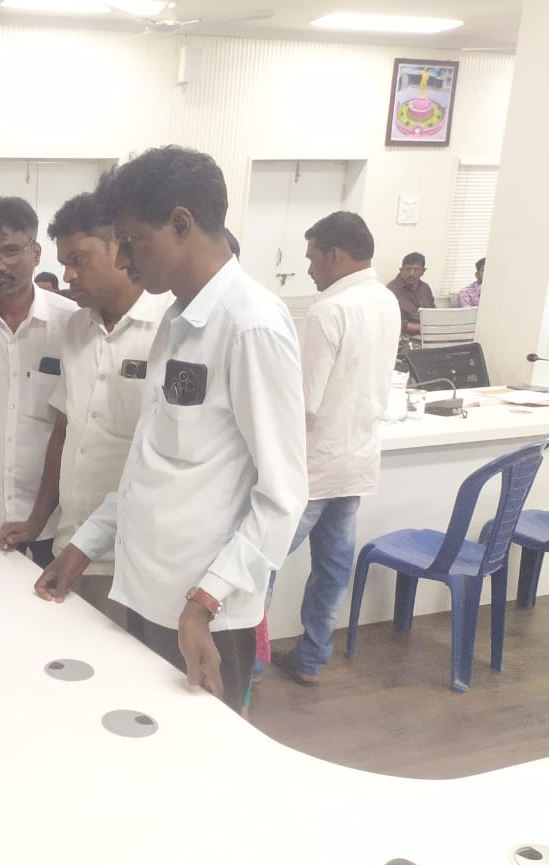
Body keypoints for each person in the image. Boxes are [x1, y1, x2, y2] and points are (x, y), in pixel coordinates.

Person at [34, 146, 307, 711]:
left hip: (202, 616)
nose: (124, 258)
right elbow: (153, 464)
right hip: (149, 596)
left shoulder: (251, 325)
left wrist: (207, 601)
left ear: (182, 224)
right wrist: (83, 547)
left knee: (203, 755)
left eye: (133, 240)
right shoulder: (178, 322)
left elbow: (283, 495)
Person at [0, 192, 171, 622]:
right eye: (64, 263)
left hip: (135, 558)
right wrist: (37, 520)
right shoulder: (77, 328)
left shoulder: (169, 328)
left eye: (78, 260)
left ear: (120, 249)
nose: (68, 275)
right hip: (71, 544)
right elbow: (65, 429)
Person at [270, 212, 401, 686]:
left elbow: (304, 401)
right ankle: (311, 658)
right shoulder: (387, 300)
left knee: (261, 562)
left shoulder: (329, 310)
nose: (308, 268)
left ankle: (253, 660)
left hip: (313, 465)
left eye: (312, 258)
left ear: (335, 255)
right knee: (332, 569)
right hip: (357, 461)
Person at [0, 197, 77, 568]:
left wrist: (40, 517)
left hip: (51, 521)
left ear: (36, 252)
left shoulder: (72, 323)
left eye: (10, 251)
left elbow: (71, 426)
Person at [386, 252, 435, 337]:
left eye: (416, 269)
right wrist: (419, 328)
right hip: (405, 337)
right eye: (408, 269)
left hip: (428, 334)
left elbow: (433, 313)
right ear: (401, 270)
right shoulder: (391, 290)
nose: (411, 273)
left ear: (423, 271)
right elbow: (389, 322)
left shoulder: (425, 288)